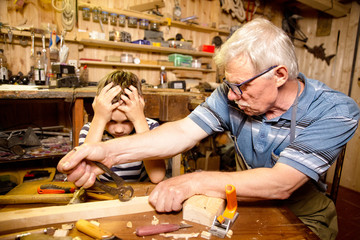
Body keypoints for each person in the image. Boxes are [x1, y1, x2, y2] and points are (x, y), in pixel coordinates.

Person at [58, 18, 359, 239]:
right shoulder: (233, 96)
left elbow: (282, 183)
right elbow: (181, 132)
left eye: (240, 86)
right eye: (228, 85)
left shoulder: (335, 110)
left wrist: (195, 181)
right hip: (239, 203)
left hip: (303, 214)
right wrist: (106, 152)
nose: (230, 96)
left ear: (280, 74)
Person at [78, 70, 165, 183]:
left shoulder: (150, 127)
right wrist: (99, 118)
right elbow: (84, 172)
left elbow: (157, 176)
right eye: (111, 121)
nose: (119, 130)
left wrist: (139, 119)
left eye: (127, 121)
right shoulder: (90, 129)